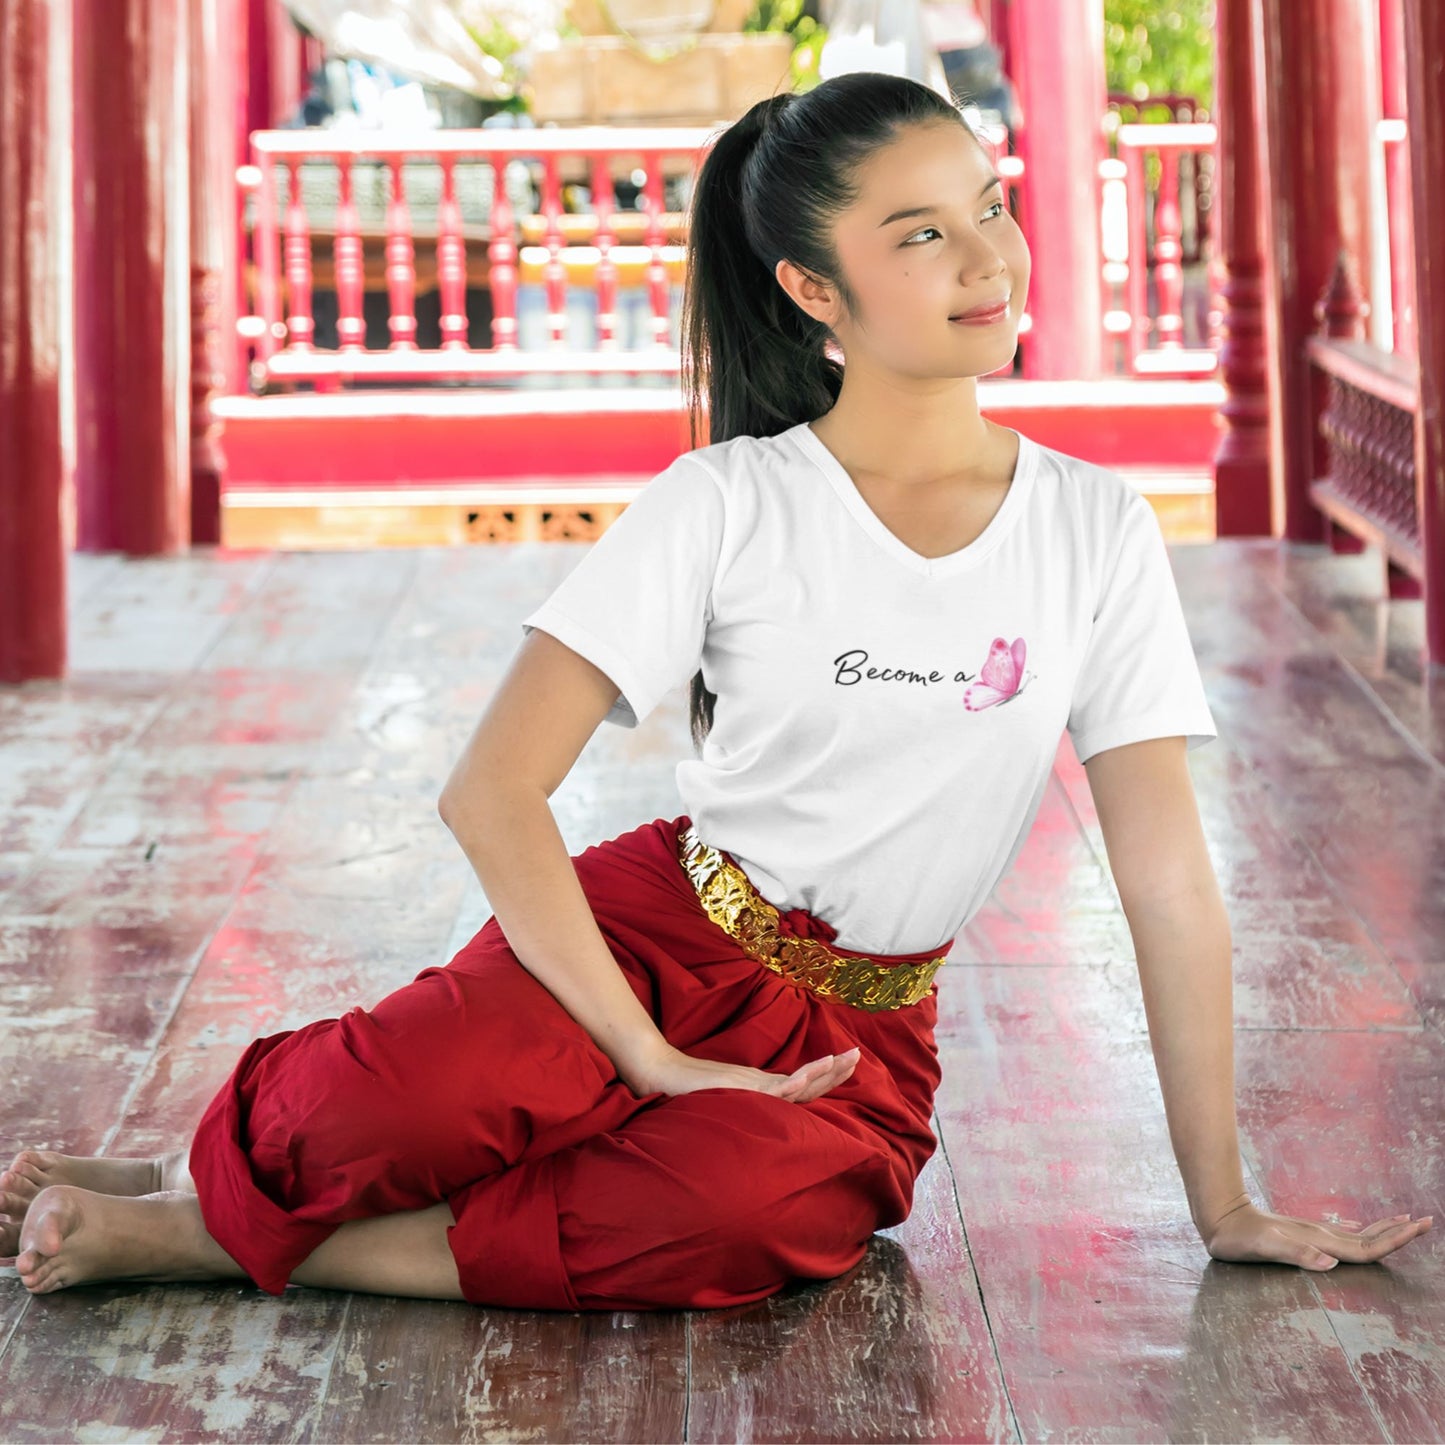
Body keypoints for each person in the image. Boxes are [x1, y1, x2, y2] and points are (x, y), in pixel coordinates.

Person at [2, 72, 1431, 1301]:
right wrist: (644, 1050)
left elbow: (1169, 879)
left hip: (859, 1029)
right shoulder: (729, 501)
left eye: (987, 205)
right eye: (919, 234)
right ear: (813, 288)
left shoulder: (1093, 527)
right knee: (395, 1105)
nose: (986, 256)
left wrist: (1222, 1201)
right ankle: (209, 1179)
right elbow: (489, 788)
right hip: (659, 937)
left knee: (737, 1218)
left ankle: (205, 1234)